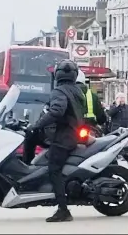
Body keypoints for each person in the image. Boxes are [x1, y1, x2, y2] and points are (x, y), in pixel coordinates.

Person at [26, 59, 85, 222]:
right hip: (71, 133)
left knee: (54, 169)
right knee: (33, 138)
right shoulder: (77, 90)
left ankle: (63, 210)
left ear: (57, 74)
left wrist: (37, 124)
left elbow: (57, 112)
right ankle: (28, 170)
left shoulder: (59, 91)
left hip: (64, 137)